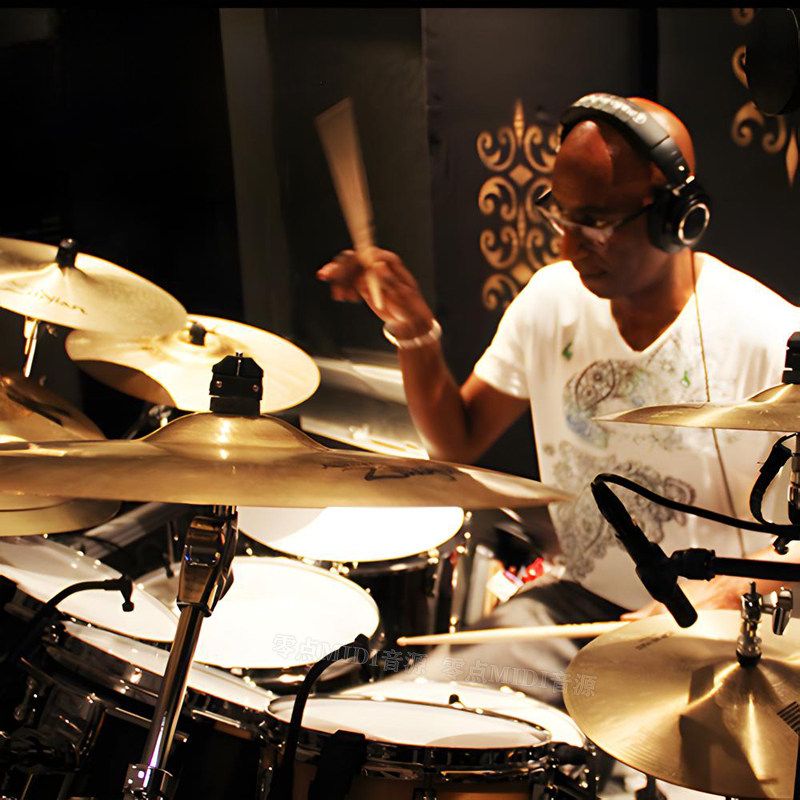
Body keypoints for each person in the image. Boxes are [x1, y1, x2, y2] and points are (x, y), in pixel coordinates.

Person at [317, 93, 800, 704]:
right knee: (412, 711)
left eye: (594, 223)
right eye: (560, 217)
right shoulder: (551, 300)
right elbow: (457, 441)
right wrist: (413, 332)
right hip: (577, 610)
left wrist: (720, 597)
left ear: (676, 217)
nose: (568, 248)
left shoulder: (768, 336)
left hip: (718, 632)